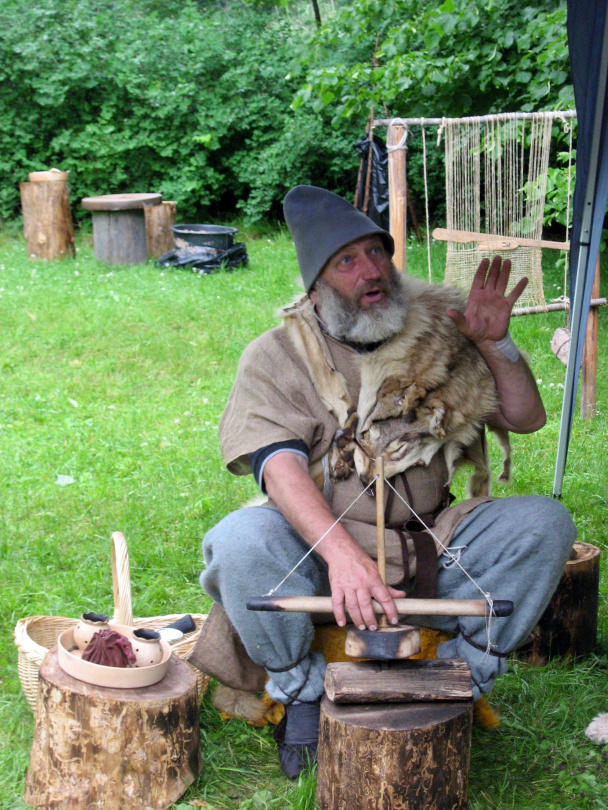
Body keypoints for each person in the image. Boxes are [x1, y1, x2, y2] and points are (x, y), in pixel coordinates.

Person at [194, 185, 577, 780]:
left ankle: (457, 676)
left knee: (544, 524)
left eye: (377, 252)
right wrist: (343, 557)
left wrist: (494, 346)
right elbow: (278, 467)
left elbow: (525, 417)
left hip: (431, 549)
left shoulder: (436, 332)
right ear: (315, 284)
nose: (372, 271)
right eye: (347, 261)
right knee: (240, 541)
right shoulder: (277, 355)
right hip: (316, 559)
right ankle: (299, 690)